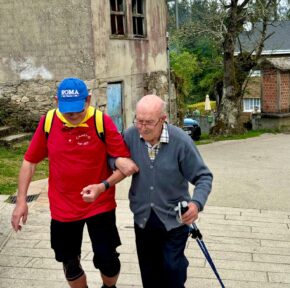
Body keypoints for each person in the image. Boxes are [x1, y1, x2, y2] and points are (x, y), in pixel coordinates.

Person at [11, 77, 138, 288]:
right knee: (69, 262)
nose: (72, 116)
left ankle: (109, 287)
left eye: (77, 111)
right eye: (66, 111)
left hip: (100, 204)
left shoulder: (101, 121)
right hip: (63, 207)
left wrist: (102, 186)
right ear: (56, 101)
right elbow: (30, 162)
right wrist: (21, 201)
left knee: (107, 260)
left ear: (88, 100)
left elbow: (124, 167)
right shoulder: (49, 122)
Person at [110, 94, 213, 288]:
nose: (142, 127)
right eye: (139, 121)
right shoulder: (131, 135)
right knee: (149, 274)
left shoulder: (180, 141)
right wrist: (117, 161)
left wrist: (196, 204)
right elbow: (111, 158)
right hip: (143, 218)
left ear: (163, 120)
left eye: (149, 122)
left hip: (174, 219)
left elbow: (203, 177)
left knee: (173, 270)